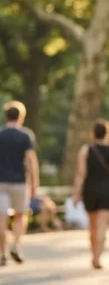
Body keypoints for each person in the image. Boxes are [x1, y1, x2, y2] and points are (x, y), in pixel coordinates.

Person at [72, 119, 109, 270]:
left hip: (90, 190)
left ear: (93, 133)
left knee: (93, 225)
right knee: (103, 225)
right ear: (108, 133)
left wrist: (76, 194)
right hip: (108, 190)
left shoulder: (86, 150)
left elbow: (80, 174)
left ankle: (94, 254)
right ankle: (98, 257)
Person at [0, 101, 39, 266]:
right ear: (21, 117)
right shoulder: (26, 135)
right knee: (19, 216)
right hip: (19, 183)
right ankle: (16, 245)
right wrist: (34, 182)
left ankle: (3, 253)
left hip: (1, 182)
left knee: (1, 217)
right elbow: (30, 160)